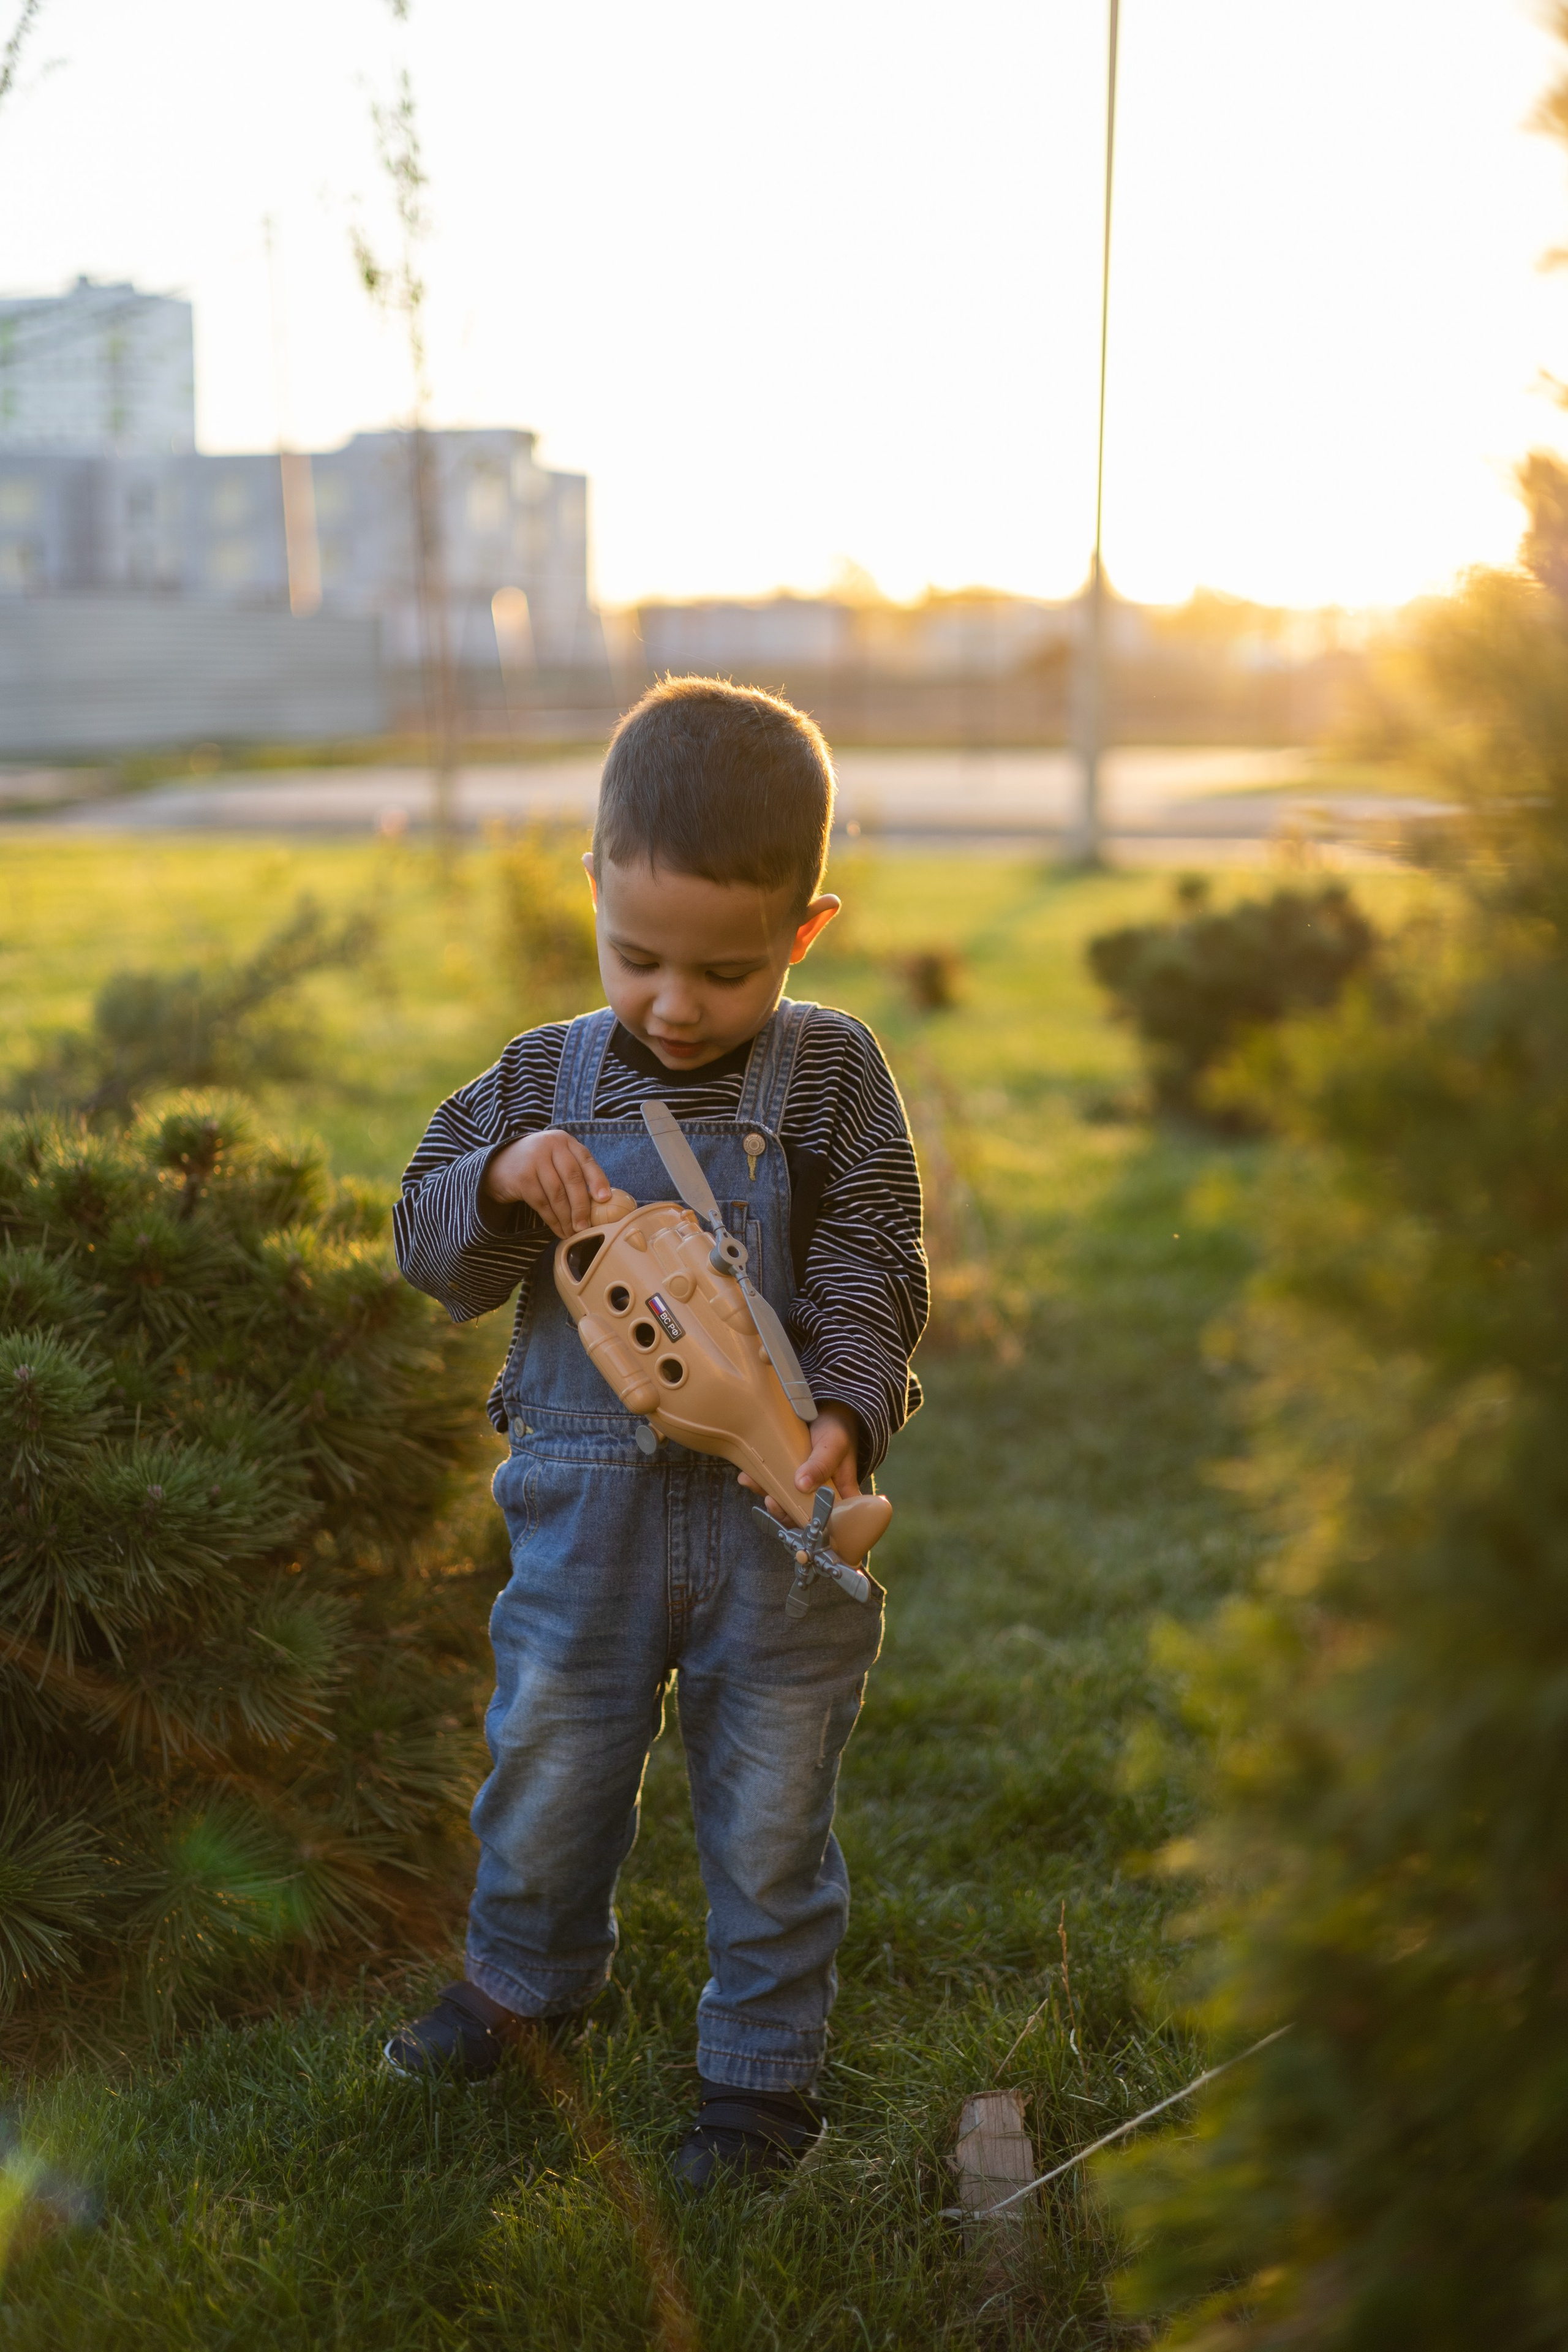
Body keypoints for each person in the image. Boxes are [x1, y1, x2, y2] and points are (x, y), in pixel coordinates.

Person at [387, 677, 928, 2192]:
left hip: (776, 1533)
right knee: (548, 1763)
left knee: (769, 1812)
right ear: (594, 890)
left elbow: (870, 1256)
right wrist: (498, 1181)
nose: (675, 1003)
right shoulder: (537, 1078)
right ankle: (525, 1980)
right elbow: (426, 1251)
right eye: (637, 958)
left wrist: (842, 1408)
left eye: (725, 969)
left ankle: (755, 2076)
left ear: (804, 934)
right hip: (585, 1526)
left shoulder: (827, 1072)